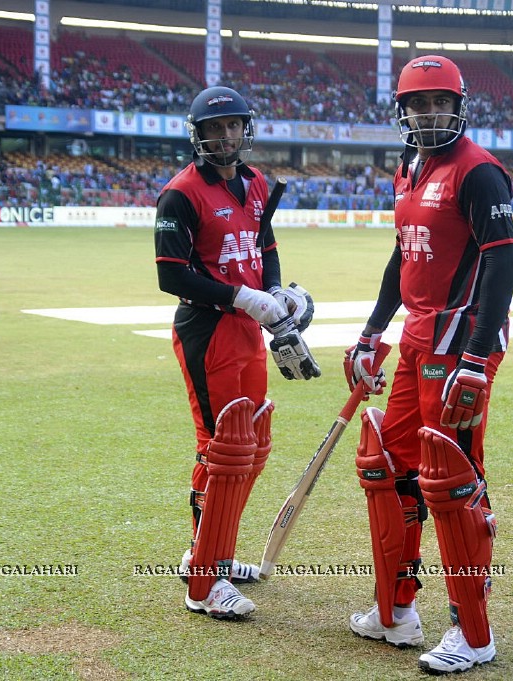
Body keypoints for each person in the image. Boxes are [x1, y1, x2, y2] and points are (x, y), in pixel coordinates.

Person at [344, 55, 513, 675]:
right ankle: (397, 609)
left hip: (460, 346)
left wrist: (474, 358)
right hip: (418, 340)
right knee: (390, 468)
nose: (430, 113)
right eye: (419, 104)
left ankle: (473, 632)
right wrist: (371, 331)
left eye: (441, 102)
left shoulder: (478, 172)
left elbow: (502, 264)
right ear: (403, 111)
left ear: (460, 104)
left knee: (452, 481)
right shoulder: (409, 168)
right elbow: (402, 261)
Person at [154, 85, 319, 620]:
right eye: (215, 127)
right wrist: (241, 296)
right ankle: (205, 579)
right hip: (208, 329)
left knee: (248, 448)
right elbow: (170, 273)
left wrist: (273, 294)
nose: (225, 137)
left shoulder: (253, 183)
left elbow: (265, 247)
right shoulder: (180, 193)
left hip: (249, 328)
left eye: (233, 126)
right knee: (220, 451)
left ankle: (213, 552)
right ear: (197, 133)